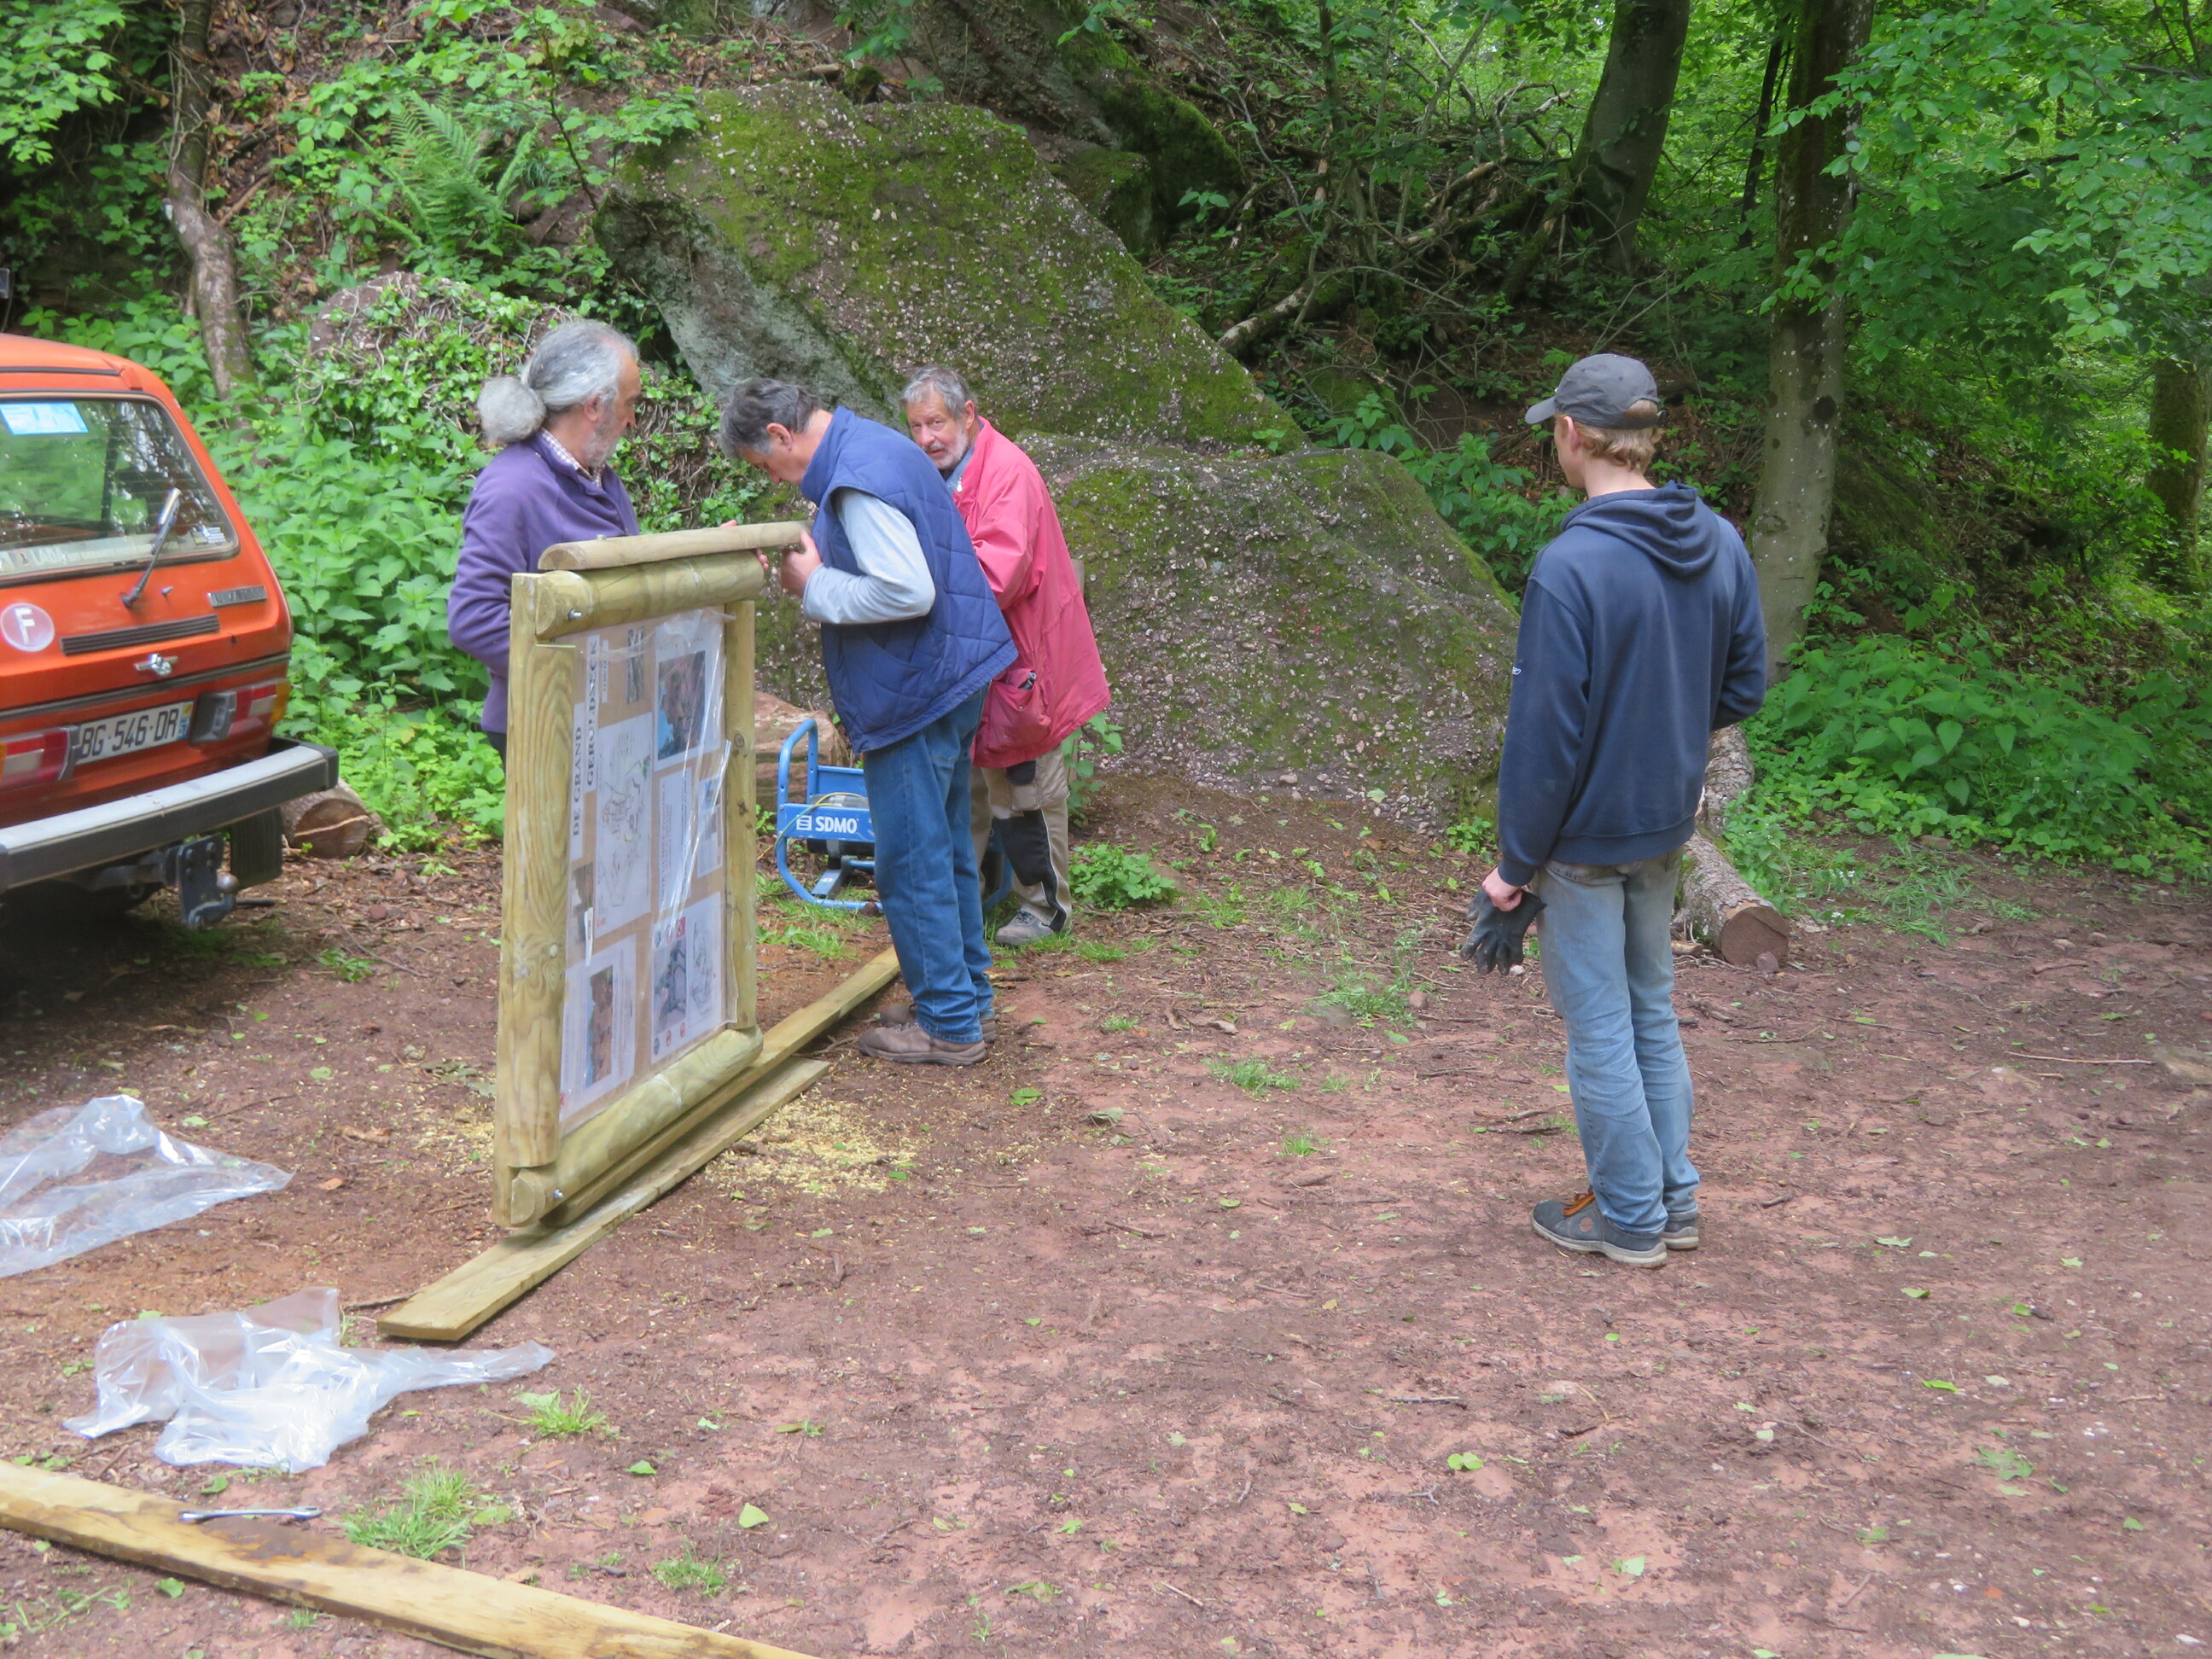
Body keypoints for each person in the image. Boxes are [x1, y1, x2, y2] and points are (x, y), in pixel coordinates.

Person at [1481, 352, 1767, 1267]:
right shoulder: (1719, 540)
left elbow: (1544, 741)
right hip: (1665, 826)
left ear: (1571, 434)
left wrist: (1513, 867)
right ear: (1646, 437)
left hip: (1583, 840)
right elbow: (1744, 685)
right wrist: (1666, 736)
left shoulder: (1571, 566)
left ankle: (1631, 1218)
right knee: (1651, 1010)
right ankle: (1672, 1203)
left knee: (1602, 1025)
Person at [718, 379, 1015, 1065]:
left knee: (911, 862)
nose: (773, 478)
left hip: (915, 691)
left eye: (765, 464)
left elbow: (907, 590)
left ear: (782, 436)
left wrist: (814, 585)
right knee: (945, 848)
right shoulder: (872, 444)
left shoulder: (853, 481)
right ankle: (967, 999)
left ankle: (949, 1026)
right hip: (949, 675)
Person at [903, 365, 1110, 948]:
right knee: (965, 785)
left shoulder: (1007, 473)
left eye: (937, 423)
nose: (927, 438)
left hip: (1020, 659)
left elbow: (997, 577)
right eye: (917, 427)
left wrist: (910, 589)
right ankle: (959, 904)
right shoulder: (945, 471)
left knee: (1026, 788)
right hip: (970, 661)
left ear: (967, 415)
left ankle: (1045, 909)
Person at [449, 320, 643, 759]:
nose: (632, 420)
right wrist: (587, 674)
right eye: (630, 403)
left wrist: (706, 557)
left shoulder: (599, 477)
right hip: (543, 722)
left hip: (602, 718)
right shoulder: (512, 486)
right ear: (595, 406)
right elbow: (474, 619)